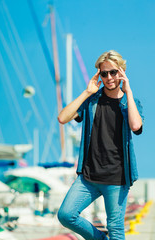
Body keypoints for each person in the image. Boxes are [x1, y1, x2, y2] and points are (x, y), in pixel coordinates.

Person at [57, 50, 144, 240]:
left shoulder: (131, 103)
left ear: (121, 72)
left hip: (117, 178)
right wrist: (87, 92)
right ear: (99, 75)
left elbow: (136, 126)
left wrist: (128, 92)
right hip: (88, 177)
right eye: (104, 73)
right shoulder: (91, 102)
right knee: (66, 215)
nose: (109, 77)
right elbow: (63, 118)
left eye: (113, 72)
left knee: (116, 230)